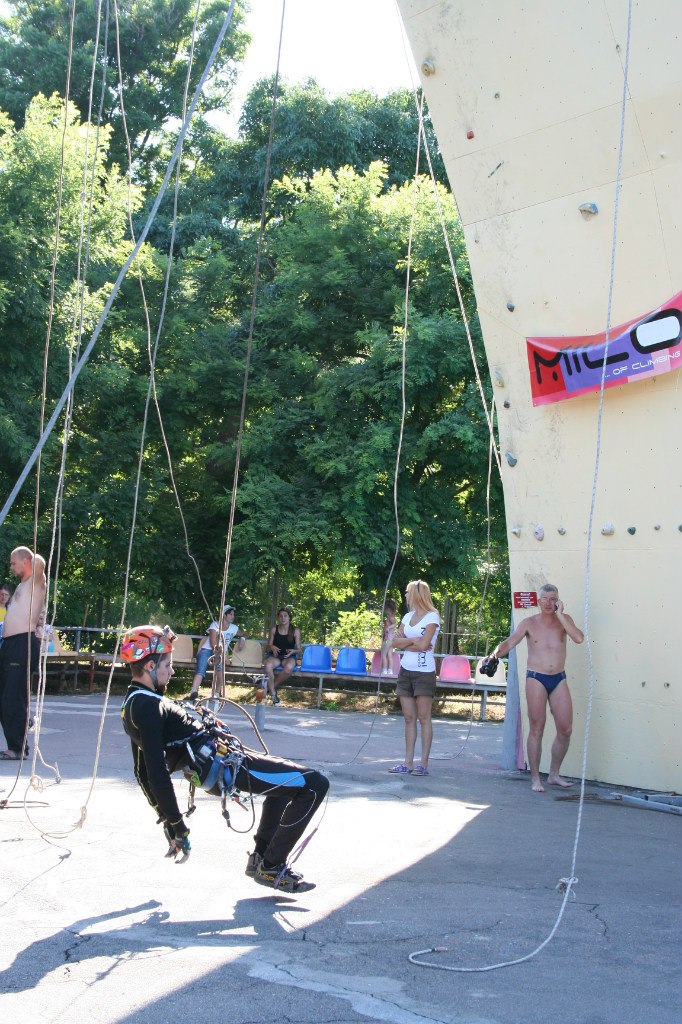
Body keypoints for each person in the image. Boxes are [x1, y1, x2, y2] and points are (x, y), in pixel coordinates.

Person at [120, 625, 328, 892]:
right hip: (227, 766)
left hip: (226, 760)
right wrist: (176, 824)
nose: (171, 671)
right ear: (150, 665)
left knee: (287, 784)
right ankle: (272, 866)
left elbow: (141, 772)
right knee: (314, 785)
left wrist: (167, 819)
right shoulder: (148, 707)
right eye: (167, 665)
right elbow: (154, 773)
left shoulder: (134, 703)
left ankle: (262, 860)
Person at [490, 583, 584, 792]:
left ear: (558, 600)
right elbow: (510, 642)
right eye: (545, 599)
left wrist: (561, 616)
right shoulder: (528, 623)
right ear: (539, 601)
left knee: (565, 729)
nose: (549, 603)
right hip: (536, 677)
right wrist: (494, 654)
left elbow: (578, 638)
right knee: (537, 727)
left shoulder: (565, 620)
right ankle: (535, 778)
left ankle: (554, 774)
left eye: (553, 599)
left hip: (558, 678)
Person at [389, 580, 441, 777]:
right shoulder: (407, 616)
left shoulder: (432, 617)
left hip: (424, 672)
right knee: (409, 718)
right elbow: (393, 641)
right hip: (405, 670)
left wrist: (407, 643)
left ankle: (423, 764)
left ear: (417, 594)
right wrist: (412, 640)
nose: (406, 595)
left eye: (408, 592)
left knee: (423, 717)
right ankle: (407, 762)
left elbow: (424, 646)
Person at [0, 548, 46, 760]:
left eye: (13, 562)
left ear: (26, 562)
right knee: (5, 695)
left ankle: (17, 748)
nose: (11, 567)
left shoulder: (36, 582)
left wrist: (28, 555)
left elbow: (39, 562)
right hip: (10, 644)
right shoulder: (22, 585)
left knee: (13, 697)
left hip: (22, 643)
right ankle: (17, 737)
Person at [188, 605, 245, 701]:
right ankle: (194, 691)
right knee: (201, 669)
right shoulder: (215, 625)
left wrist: (242, 639)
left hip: (221, 652)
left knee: (220, 671)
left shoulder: (234, 628)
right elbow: (212, 643)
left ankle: (216, 694)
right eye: (230, 614)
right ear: (224, 615)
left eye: (233, 614)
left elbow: (243, 633)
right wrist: (222, 655)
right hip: (208, 649)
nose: (233, 616)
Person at [264, 607, 301, 705]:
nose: (283, 618)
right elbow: (268, 646)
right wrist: (272, 647)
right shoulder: (274, 629)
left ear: (289, 618)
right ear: (278, 618)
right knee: (268, 666)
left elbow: (299, 649)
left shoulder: (295, 631)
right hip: (275, 656)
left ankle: (270, 687)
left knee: (288, 668)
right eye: (280, 616)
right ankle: (273, 694)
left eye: (285, 616)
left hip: (288, 656)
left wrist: (293, 651)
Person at [380, 599, 397, 675]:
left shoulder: (391, 617)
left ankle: (384, 670)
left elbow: (395, 624)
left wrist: (388, 627)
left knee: (383, 654)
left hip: (387, 640)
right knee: (389, 655)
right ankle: (390, 670)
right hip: (391, 640)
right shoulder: (390, 617)